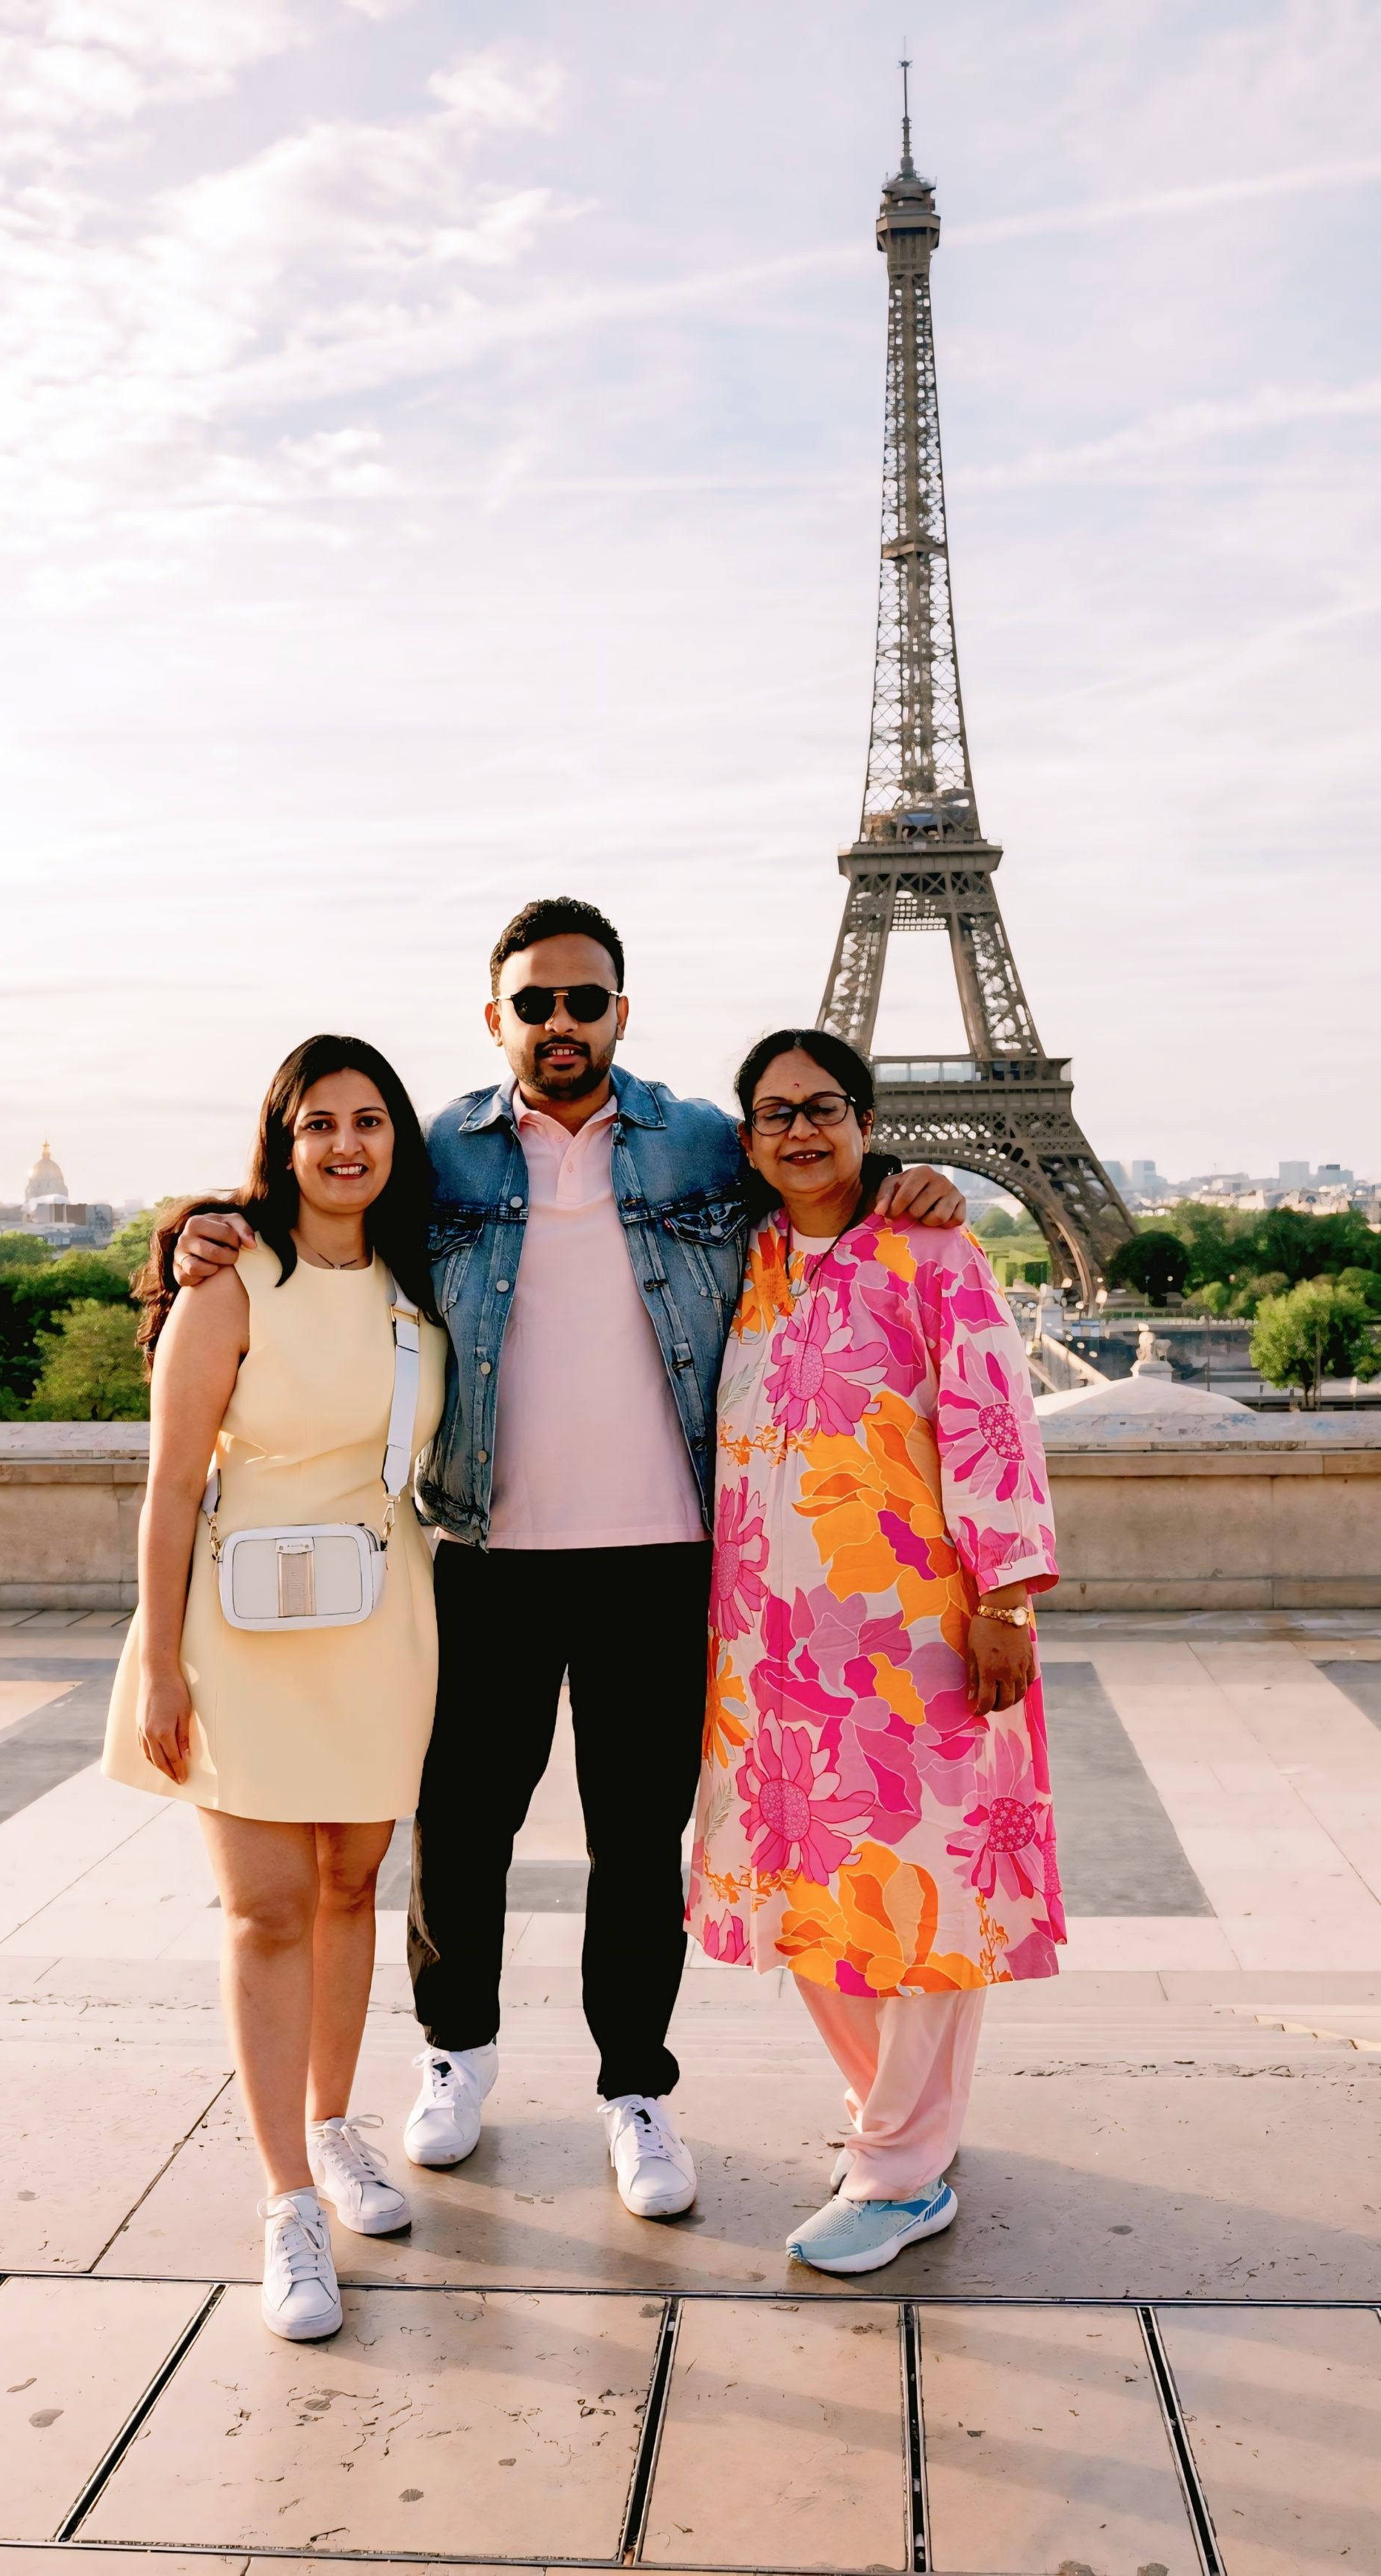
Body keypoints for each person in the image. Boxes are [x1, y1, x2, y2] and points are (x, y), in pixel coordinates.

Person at [170, 902, 965, 2221]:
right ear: (495, 1020)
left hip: (661, 1556)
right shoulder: (439, 1158)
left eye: (581, 1002)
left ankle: (633, 2090)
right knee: (462, 1829)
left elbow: (816, 1178)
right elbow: (317, 1221)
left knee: (635, 1840)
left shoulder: (708, 1143)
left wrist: (900, 1186)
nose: (557, 1025)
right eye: (531, 1004)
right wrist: (198, 1226)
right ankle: (455, 2055)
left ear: (620, 1013)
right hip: (482, 1552)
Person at [685, 1027, 1063, 2274]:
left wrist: (1002, 1603)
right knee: (814, 1898)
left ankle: (900, 2171)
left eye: (825, 1107)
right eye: (776, 1113)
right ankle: (900, 2130)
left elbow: (990, 1418)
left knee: (930, 1892)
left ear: (864, 1122)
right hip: (770, 1654)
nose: (802, 1130)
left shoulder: (933, 1249)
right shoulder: (737, 1264)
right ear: (746, 1141)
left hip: (917, 1640)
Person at [104, 1036, 447, 2339]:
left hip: (374, 1616)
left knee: (353, 1881)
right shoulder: (231, 1275)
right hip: (236, 1630)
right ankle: (288, 2202)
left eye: (369, 1121)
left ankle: (333, 2122)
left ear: (397, 1142)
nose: (346, 1145)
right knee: (263, 1911)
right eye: (320, 1124)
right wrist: (162, 1659)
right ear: (283, 1142)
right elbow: (171, 1482)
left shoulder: (423, 1281)